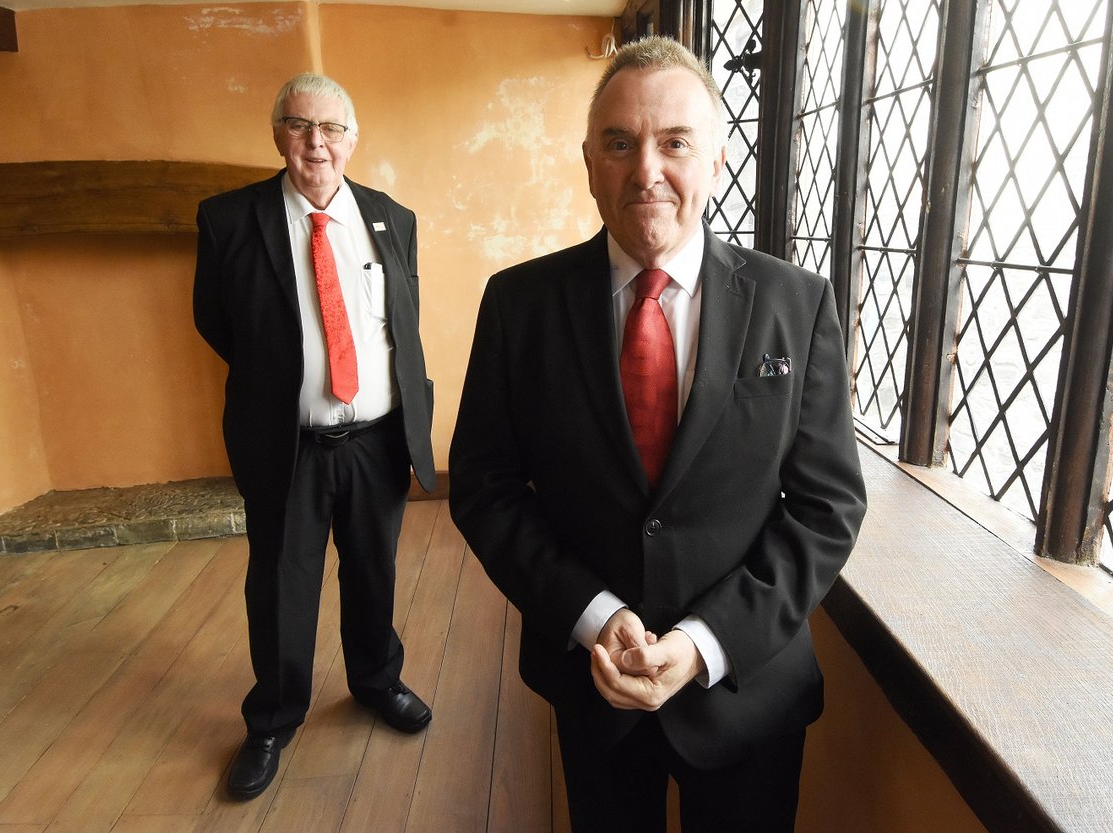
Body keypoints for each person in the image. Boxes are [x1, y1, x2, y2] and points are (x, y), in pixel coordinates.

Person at [449, 36, 867, 832]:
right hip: (591, 685)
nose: (646, 169)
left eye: (675, 142)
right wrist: (589, 610)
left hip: (746, 693)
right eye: (619, 143)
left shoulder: (797, 304)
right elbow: (484, 486)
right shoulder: (518, 306)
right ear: (589, 163)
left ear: (715, 161)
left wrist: (708, 640)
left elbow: (827, 506)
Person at [193, 72, 436, 801]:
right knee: (280, 584)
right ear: (277, 135)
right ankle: (272, 716)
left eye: (331, 129)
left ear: (353, 139)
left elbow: (401, 324)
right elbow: (216, 322)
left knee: (373, 571)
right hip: (288, 443)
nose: (316, 143)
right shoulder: (228, 219)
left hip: (376, 440)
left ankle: (375, 681)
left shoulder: (393, 217)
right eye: (300, 126)